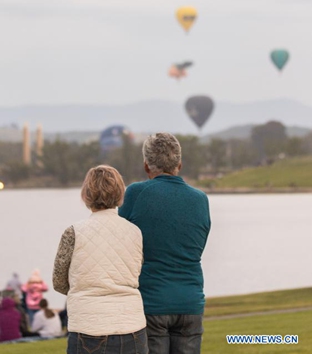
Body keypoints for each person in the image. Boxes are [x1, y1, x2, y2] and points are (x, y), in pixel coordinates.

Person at [119, 132, 211, 354]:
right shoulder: (200, 199)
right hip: (190, 303)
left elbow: (119, 239)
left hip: (151, 302)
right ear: (179, 164)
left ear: (146, 166)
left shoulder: (135, 193)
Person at [53, 165, 148, 354]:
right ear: (120, 193)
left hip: (87, 327)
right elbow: (136, 272)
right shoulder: (135, 232)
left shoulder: (73, 232)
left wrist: (83, 289)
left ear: (86, 195)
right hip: (131, 326)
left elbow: (58, 281)